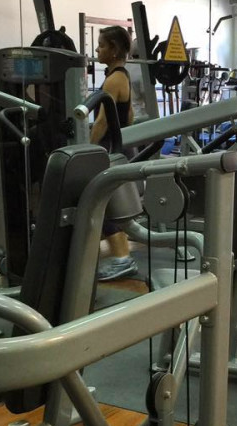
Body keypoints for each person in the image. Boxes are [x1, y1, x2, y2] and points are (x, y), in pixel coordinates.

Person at [91, 26, 138, 281]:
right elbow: (128, 115)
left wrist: (86, 147)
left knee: (105, 201)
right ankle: (118, 255)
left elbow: (101, 122)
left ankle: (122, 258)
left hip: (108, 146)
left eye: (101, 45)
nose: (97, 49)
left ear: (114, 50)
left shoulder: (113, 80)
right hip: (118, 146)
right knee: (104, 200)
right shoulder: (122, 76)